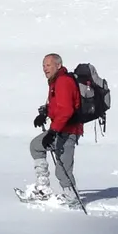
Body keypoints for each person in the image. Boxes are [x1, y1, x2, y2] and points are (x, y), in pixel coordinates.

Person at [18, 53, 83, 207]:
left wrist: (53, 131)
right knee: (36, 146)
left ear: (58, 65)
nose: (45, 68)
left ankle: (73, 201)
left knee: (63, 169)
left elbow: (66, 110)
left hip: (68, 131)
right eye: (43, 65)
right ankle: (43, 189)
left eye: (48, 65)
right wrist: (45, 113)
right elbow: (58, 106)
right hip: (61, 129)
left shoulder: (63, 81)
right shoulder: (55, 81)